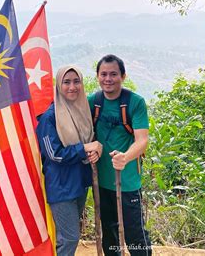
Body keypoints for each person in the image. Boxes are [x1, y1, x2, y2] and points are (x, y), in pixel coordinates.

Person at [88, 54, 152, 256]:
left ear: (123, 76)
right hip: (102, 181)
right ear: (98, 76)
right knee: (109, 233)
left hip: (128, 181)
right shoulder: (93, 102)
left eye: (113, 74)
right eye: (104, 74)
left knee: (134, 234)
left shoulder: (135, 103)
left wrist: (125, 157)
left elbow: (142, 140)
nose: (108, 79)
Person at [36, 66, 103, 256]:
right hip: (61, 186)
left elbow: (91, 142)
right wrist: (84, 149)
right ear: (58, 85)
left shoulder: (82, 112)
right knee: (70, 238)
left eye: (76, 81)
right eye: (66, 82)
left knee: (69, 236)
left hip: (80, 183)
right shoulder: (50, 118)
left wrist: (95, 151)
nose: (72, 87)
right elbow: (54, 154)